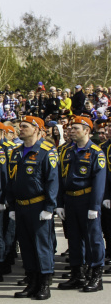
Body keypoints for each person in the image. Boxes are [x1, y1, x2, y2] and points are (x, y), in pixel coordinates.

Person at [5, 116, 59, 300]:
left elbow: (52, 180)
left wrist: (49, 207)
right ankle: (32, 282)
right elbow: (11, 181)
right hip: (21, 206)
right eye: (20, 126)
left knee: (41, 246)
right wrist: (12, 205)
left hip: (38, 205)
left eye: (25, 126)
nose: (21, 129)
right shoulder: (16, 152)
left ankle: (44, 283)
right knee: (26, 246)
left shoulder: (46, 151)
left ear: (36, 129)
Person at [57, 115, 106, 292]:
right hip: (70, 199)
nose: (71, 131)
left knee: (93, 239)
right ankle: (78, 274)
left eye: (76, 128)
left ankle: (96, 275)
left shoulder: (95, 152)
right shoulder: (68, 151)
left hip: (86, 200)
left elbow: (99, 182)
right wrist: (60, 202)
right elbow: (62, 178)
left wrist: (94, 206)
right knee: (75, 239)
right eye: (70, 128)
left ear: (87, 131)